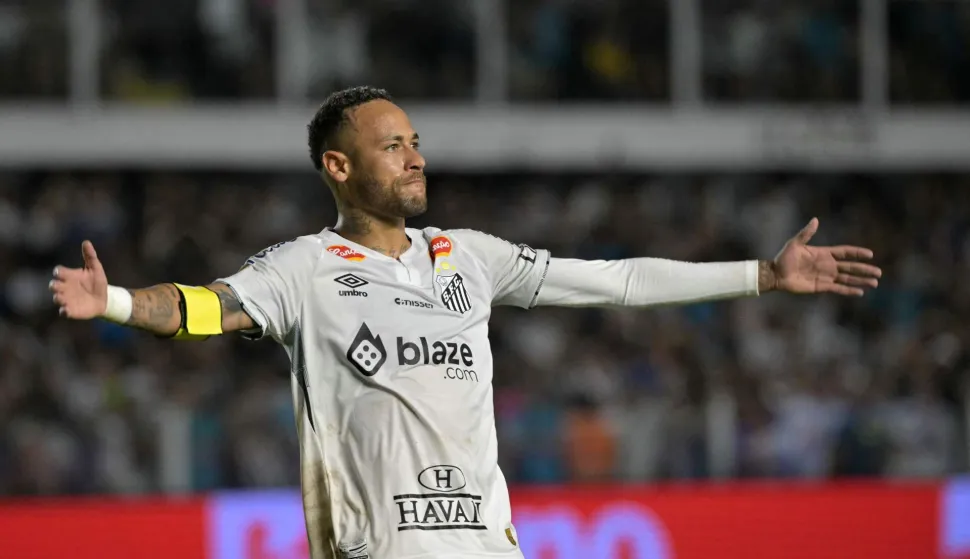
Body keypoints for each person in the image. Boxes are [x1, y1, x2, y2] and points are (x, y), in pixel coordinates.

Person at [48, 86, 882, 559]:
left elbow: (616, 281)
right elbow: (205, 306)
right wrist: (116, 302)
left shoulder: (471, 256)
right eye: (391, 145)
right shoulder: (302, 268)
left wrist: (762, 276)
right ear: (339, 167)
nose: (415, 156)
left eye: (416, 140)